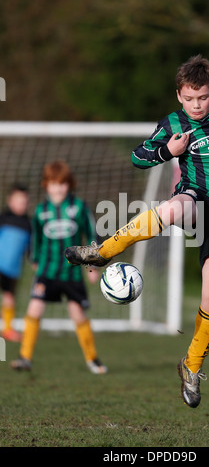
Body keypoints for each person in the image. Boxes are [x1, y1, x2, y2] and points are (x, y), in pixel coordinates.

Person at [64, 54, 209, 406]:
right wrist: (167, 150)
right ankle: (103, 251)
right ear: (179, 97)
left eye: (203, 97)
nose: (196, 105)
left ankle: (191, 367)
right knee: (172, 207)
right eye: (189, 98)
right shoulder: (172, 123)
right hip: (194, 196)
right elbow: (139, 156)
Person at [11, 160, 107, 374]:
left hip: (71, 272)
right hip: (47, 271)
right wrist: (34, 260)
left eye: (63, 183)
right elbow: (35, 238)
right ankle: (25, 357)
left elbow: (91, 234)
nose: (59, 188)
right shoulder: (40, 210)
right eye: (54, 183)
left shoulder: (78, 207)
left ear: (69, 184)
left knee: (77, 314)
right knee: (34, 308)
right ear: (46, 185)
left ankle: (93, 359)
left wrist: (93, 265)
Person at [0, 184, 31, 342]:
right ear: (10, 201)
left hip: (13, 269)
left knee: (9, 296)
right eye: (18, 201)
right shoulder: (3, 218)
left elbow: (30, 248)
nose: (21, 204)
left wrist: (34, 261)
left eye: (24, 202)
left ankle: (7, 329)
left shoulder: (28, 224)